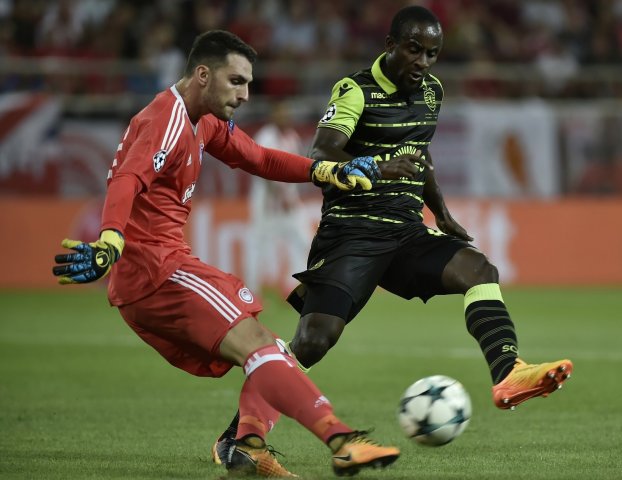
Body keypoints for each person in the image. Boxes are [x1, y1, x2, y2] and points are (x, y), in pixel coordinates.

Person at [214, 5, 573, 461]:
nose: (423, 62)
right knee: (314, 341)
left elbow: (420, 156)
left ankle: (508, 372)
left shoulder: (431, 92)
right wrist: (380, 168)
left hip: (405, 232)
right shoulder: (355, 90)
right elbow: (322, 152)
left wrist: (440, 212)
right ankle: (238, 435)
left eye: (433, 54)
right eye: (414, 50)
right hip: (351, 234)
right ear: (391, 46)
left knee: (480, 269)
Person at [52, 30, 399, 478]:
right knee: (261, 345)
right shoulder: (166, 120)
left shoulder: (203, 119)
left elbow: (257, 158)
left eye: (248, 83)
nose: (245, 94)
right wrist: (111, 240)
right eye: (236, 81)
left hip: (158, 272)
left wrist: (327, 170)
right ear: (202, 75)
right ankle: (341, 439)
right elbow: (127, 180)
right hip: (157, 271)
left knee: (271, 348)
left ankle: (245, 446)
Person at [246, 100, 310, 295]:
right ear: (273, 116)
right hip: (266, 202)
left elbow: (296, 167)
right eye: (280, 114)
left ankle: (294, 286)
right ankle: (252, 290)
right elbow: (262, 169)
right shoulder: (266, 136)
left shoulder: (291, 136)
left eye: (287, 114)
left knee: (303, 239)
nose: (284, 117)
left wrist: (289, 195)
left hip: (289, 200)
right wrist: (279, 196)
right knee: (259, 244)